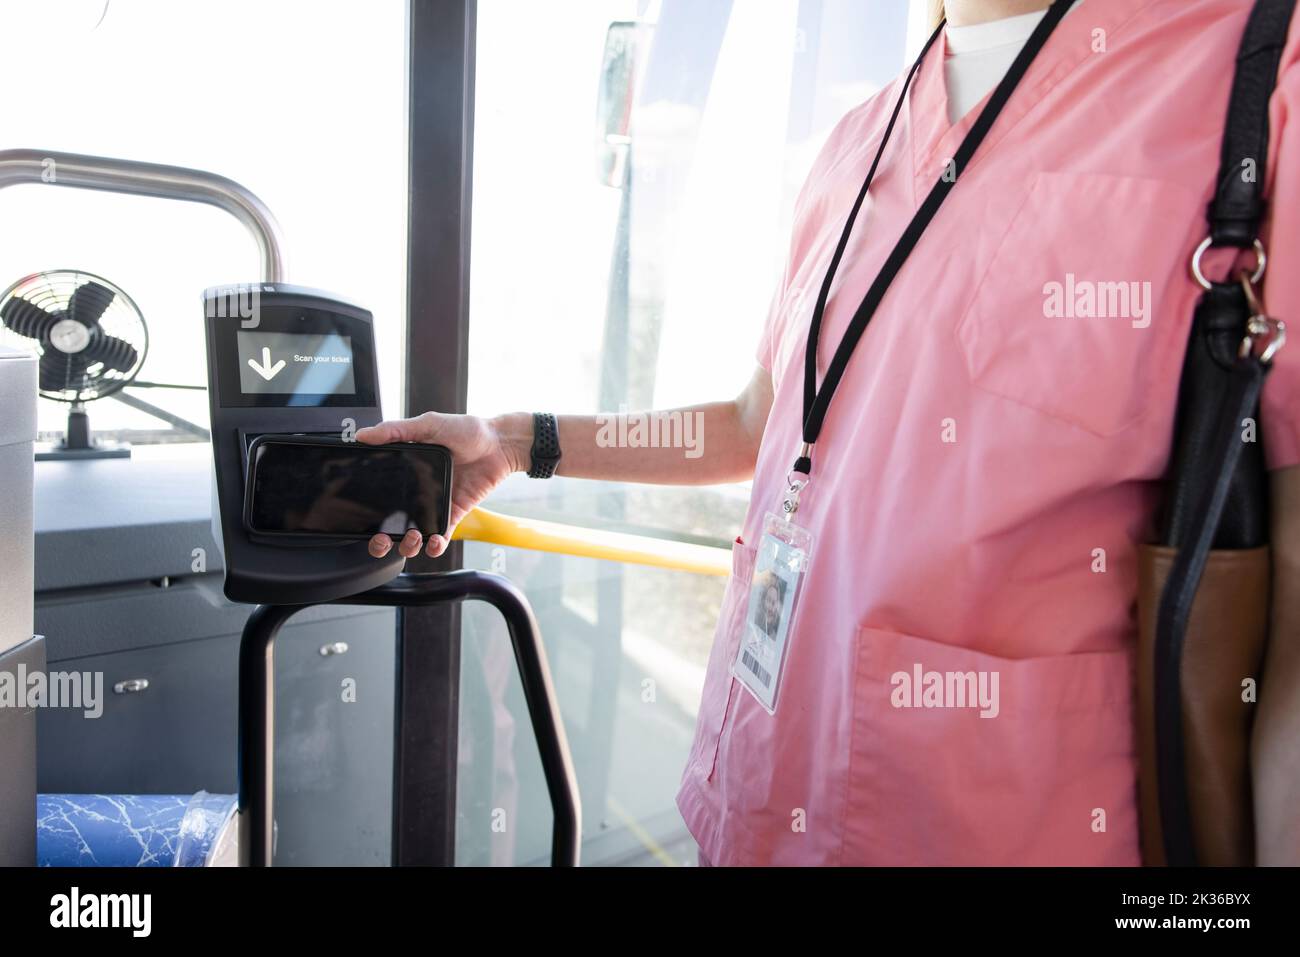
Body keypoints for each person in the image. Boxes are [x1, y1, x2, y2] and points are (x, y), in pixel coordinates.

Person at [358, 0, 1300, 865]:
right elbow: (754, 426)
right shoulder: (859, 141)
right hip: (761, 803)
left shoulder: (1252, 83)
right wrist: (518, 442)